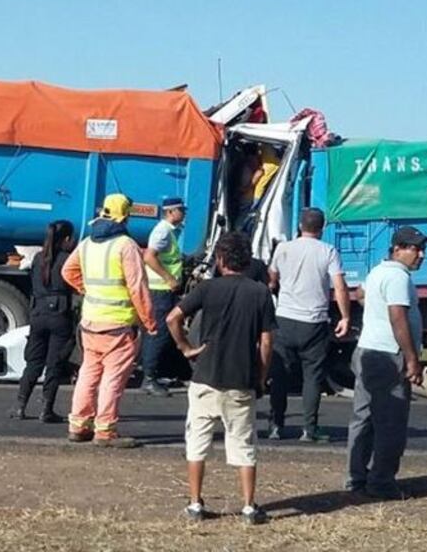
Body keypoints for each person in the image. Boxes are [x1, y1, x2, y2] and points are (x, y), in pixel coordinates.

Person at [166, 232, 276, 525]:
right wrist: (261, 377)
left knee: (197, 441)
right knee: (243, 443)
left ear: (220, 259)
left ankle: (194, 503)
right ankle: (249, 506)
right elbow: (266, 342)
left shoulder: (207, 288)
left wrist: (186, 348)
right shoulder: (260, 293)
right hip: (241, 377)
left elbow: (172, 318)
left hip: (206, 374)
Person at [61, 193, 156, 447]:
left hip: (90, 321)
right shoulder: (126, 246)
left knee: (89, 373)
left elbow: (67, 271)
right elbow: (137, 287)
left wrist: (87, 289)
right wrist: (149, 321)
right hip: (119, 325)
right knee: (112, 377)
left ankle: (78, 425)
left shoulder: (87, 243)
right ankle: (105, 431)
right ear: (125, 216)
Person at [345, 226, 427, 500]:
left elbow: (359, 293)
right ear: (397, 249)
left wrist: (372, 309)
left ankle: (356, 476)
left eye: (422, 248)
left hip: (368, 349)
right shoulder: (396, 277)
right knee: (390, 421)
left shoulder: (379, 270)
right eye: (415, 248)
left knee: (364, 416)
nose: (421, 255)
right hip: (388, 354)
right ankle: (381, 482)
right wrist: (412, 359)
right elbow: (398, 318)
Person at [267, 207, 351, 442]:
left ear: (299, 226)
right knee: (312, 377)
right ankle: (309, 429)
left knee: (280, 374)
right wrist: (345, 317)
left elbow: (272, 280)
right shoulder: (328, 251)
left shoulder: (283, 249)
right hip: (313, 322)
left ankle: (276, 426)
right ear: (322, 228)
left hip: (284, 318)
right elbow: (340, 287)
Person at [9, 220, 78, 423]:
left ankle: (20, 406)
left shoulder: (39, 258)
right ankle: (46, 409)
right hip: (60, 314)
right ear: (66, 239)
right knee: (54, 364)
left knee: (33, 362)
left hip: (38, 313)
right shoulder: (69, 260)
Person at [141, 196, 187, 398]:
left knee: (163, 332)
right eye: (180, 210)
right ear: (170, 212)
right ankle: (149, 379)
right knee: (158, 333)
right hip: (160, 290)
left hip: (163, 290)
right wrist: (169, 278)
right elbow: (149, 256)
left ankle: (154, 374)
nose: (183, 213)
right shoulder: (163, 231)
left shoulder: (170, 232)